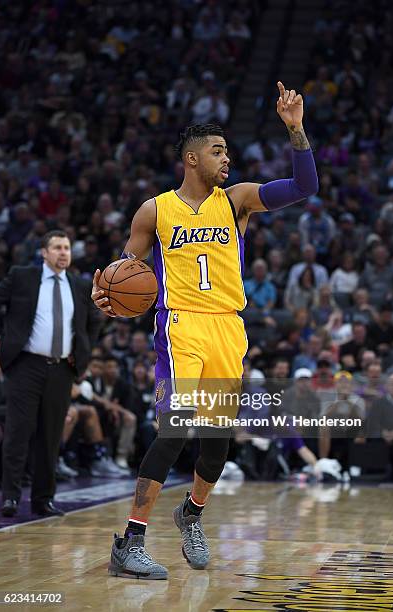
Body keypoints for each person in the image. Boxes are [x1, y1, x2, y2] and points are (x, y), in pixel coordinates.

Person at [91, 82, 318, 579]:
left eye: (228, 152)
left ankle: (191, 513)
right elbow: (126, 268)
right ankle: (130, 541)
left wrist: (296, 129)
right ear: (191, 159)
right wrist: (106, 289)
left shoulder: (236, 201)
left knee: (217, 442)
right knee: (174, 428)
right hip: (180, 328)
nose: (227, 160)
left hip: (228, 330)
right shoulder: (154, 210)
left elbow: (304, 187)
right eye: (218, 152)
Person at [0, 230, 101, 517]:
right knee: (18, 431)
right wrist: (0, 337)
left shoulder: (79, 286)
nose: (63, 253)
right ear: (44, 252)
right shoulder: (22, 276)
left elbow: (94, 320)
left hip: (61, 369)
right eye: (57, 247)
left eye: (67, 247)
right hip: (25, 364)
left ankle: (44, 499)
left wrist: (83, 353)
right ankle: (11, 497)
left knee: (51, 436)